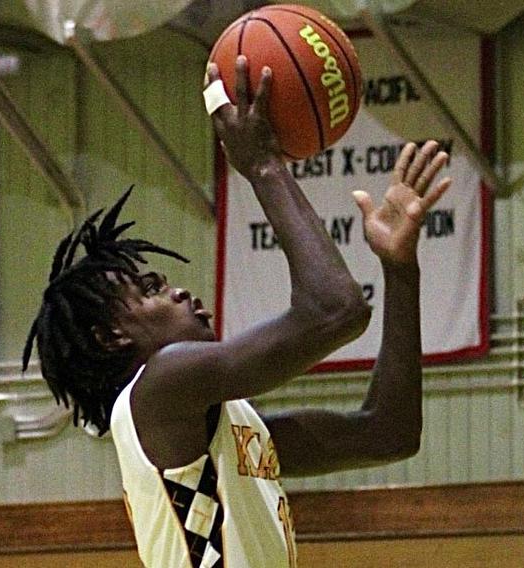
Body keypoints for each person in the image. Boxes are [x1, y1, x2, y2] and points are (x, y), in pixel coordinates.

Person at [22, 55, 451, 568]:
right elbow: (335, 310)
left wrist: (400, 270)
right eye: (151, 290)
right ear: (110, 336)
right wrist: (263, 164)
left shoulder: (221, 427)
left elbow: (390, 432)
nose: (180, 292)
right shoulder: (158, 387)